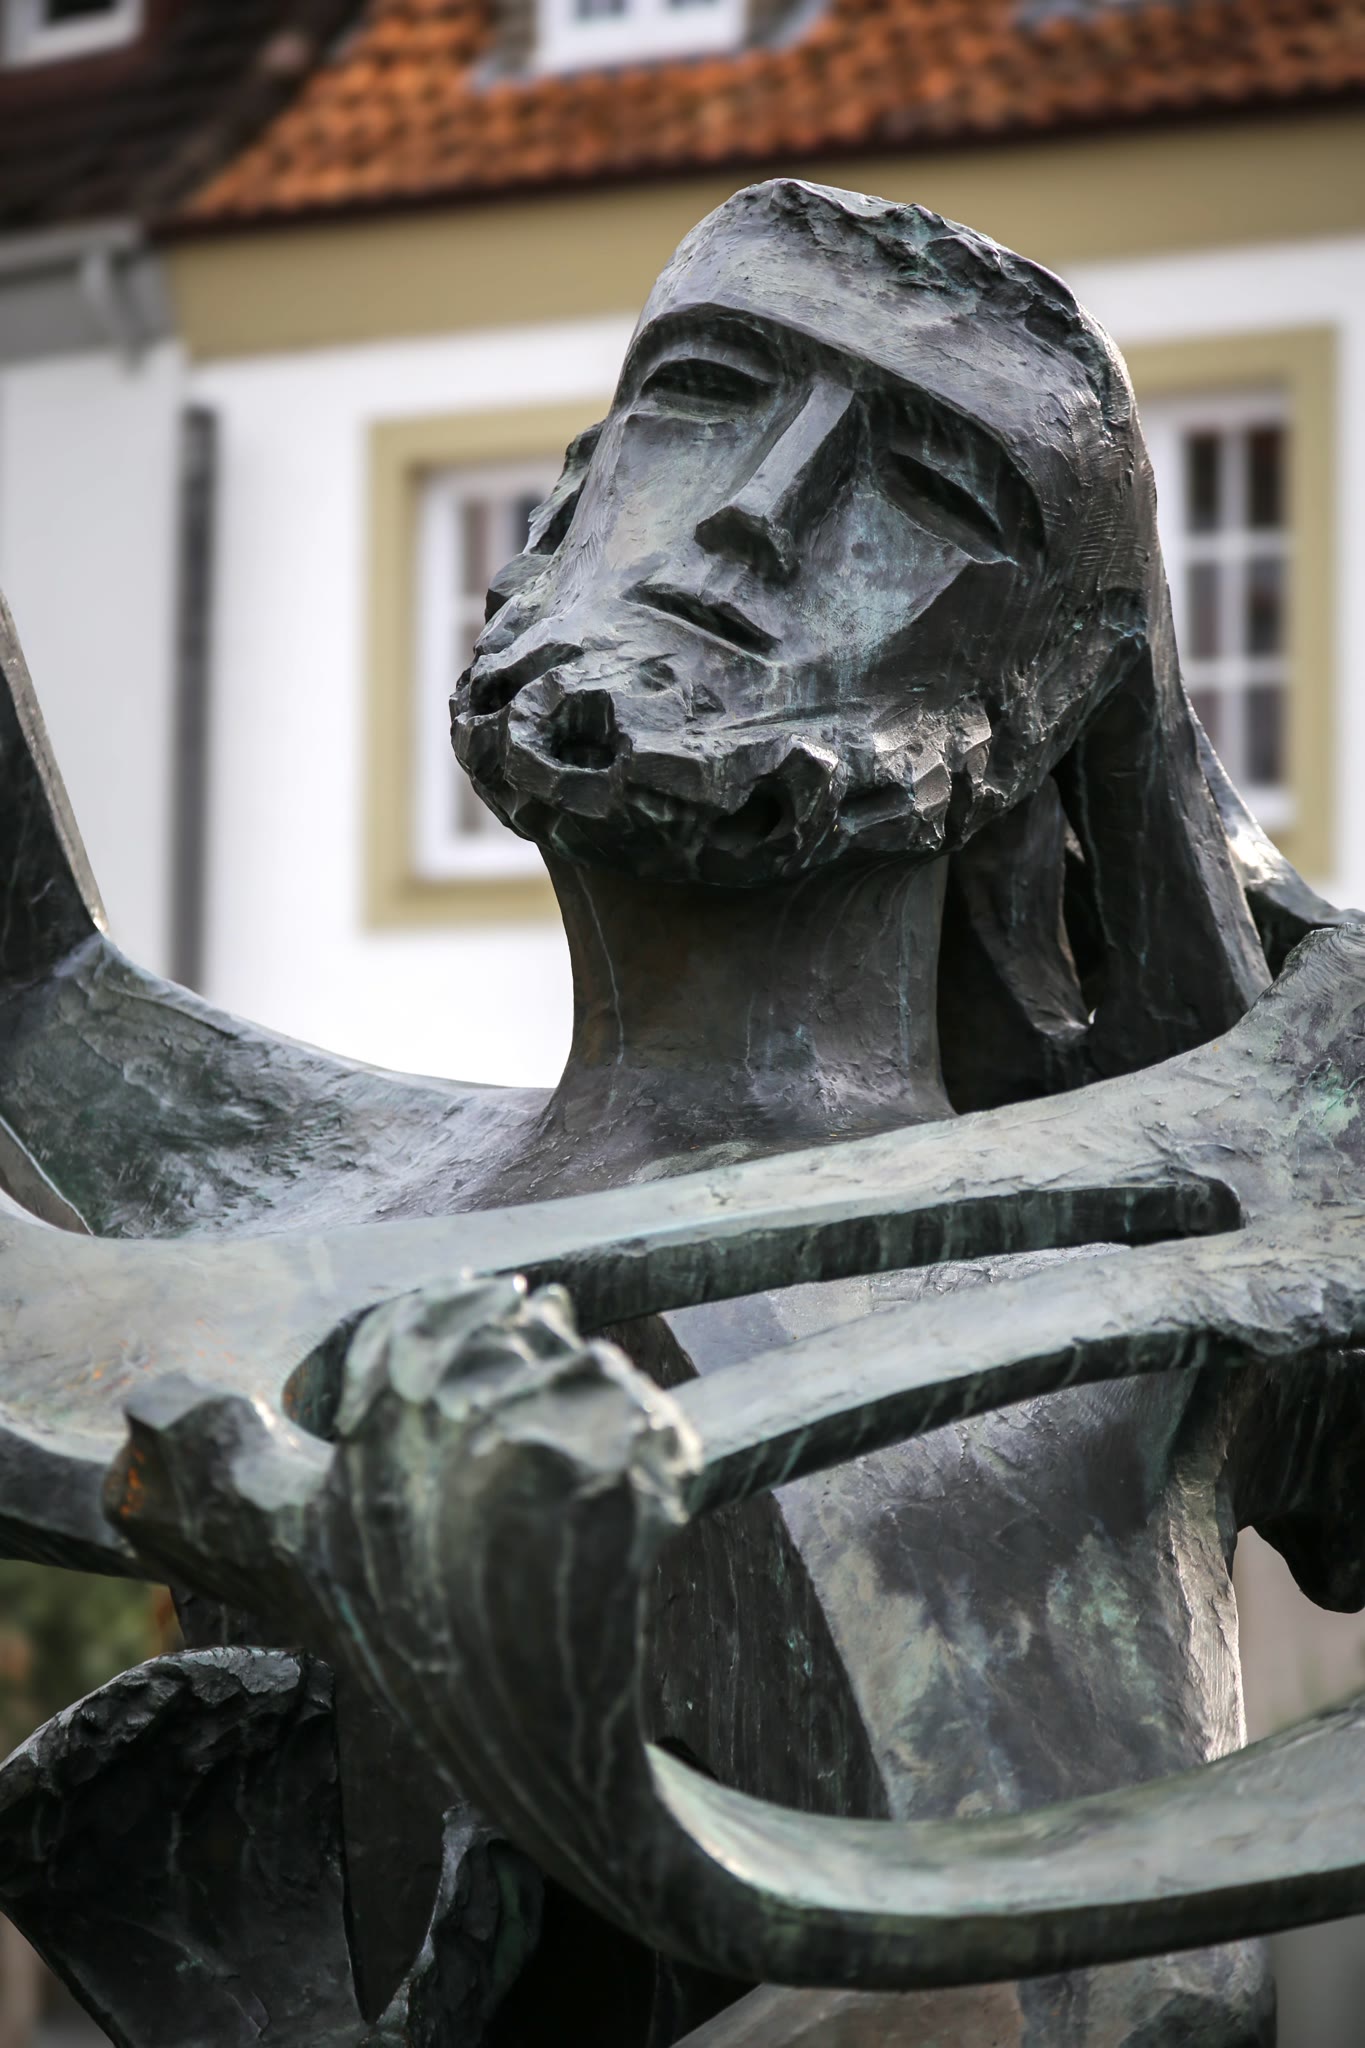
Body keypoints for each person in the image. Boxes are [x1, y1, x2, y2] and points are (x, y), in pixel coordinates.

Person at [0, 181, 1351, 2044]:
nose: (754, 513)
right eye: (707, 395)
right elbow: (53, 1009)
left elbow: (1106, 2007)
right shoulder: (320, 1182)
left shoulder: (985, 1363)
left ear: (1046, 705)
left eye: (926, 490)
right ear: (561, 508)